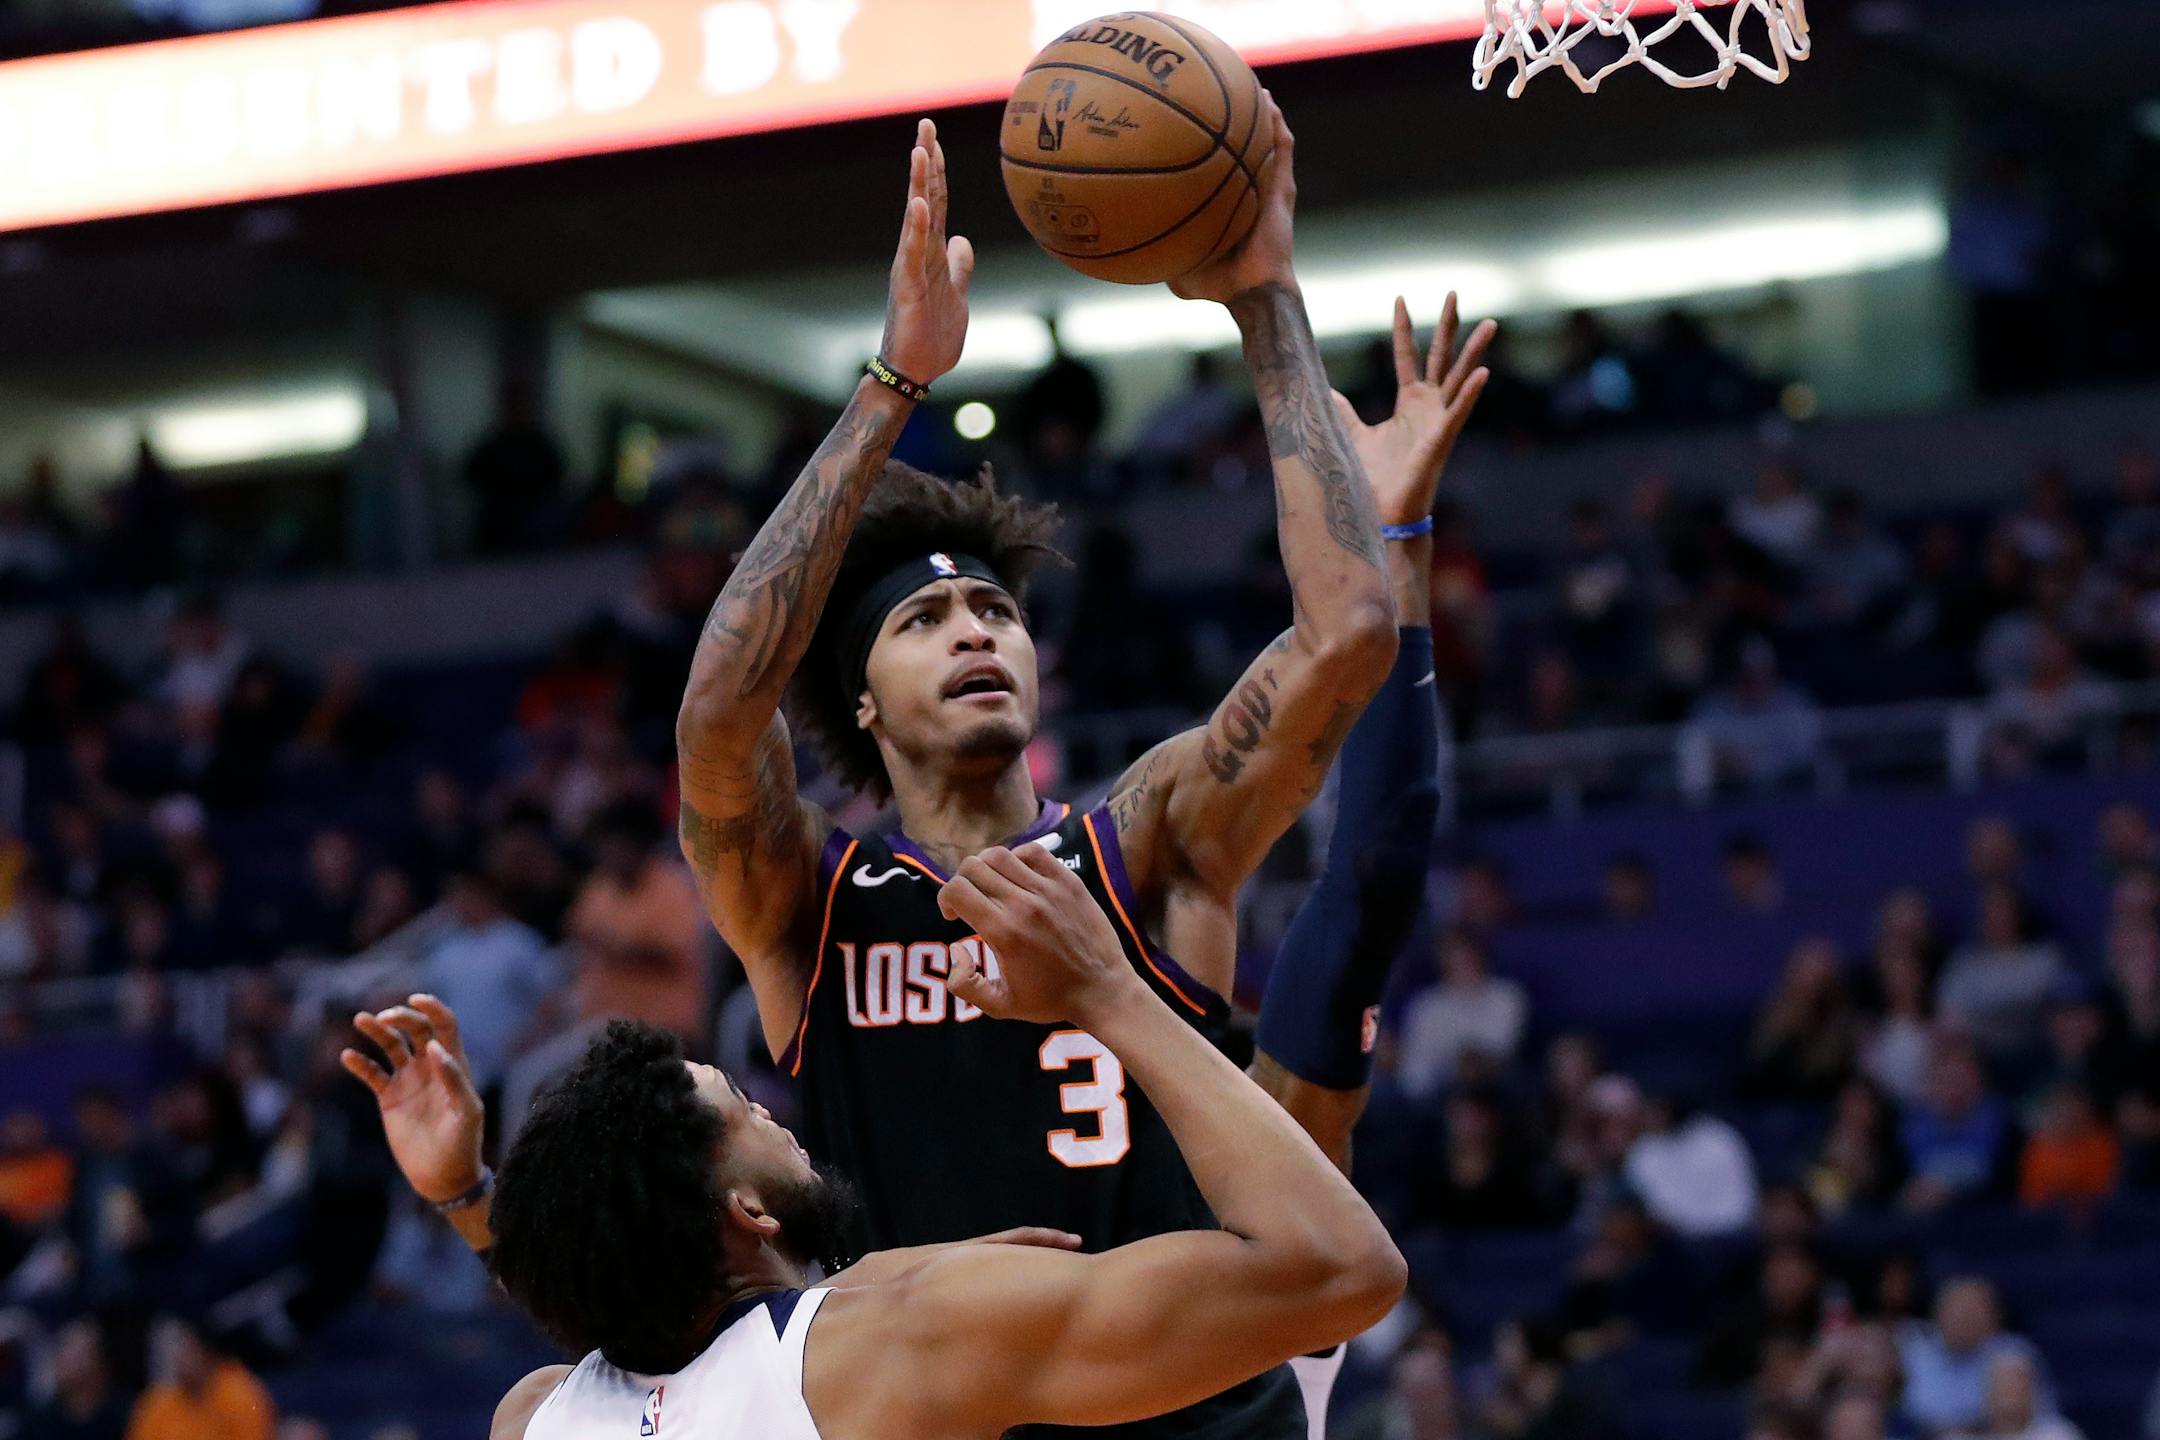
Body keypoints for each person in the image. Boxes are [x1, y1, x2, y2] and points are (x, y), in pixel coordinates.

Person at [667, 112, 1487, 1440]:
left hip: (1190, 1406)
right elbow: (716, 714)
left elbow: (1346, 638)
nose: (976, 632)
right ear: (860, 702)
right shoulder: (810, 900)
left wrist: (1265, 295)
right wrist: (892, 386)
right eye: (923, 624)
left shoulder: (1148, 839)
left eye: (996, 611)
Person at [341, 844, 1405, 1440]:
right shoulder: (901, 1345)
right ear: (746, 1215)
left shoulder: (533, 1420)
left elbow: (626, 1333)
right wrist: (1109, 992)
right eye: (743, 1114)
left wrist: (470, 1195)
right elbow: (1340, 1270)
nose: (773, 1113)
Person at [1896, 1278, 2047, 1438]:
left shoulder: (2013, 1354)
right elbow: (1908, 1411)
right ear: (1937, 1315)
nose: (1965, 1319)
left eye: (1974, 1312)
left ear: (1994, 1318)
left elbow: (2039, 1411)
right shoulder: (1915, 1354)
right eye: (1958, 1311)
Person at [1397, 929, 1529, 1099]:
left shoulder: (1508, 995)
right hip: (1439, 1092)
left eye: (1467, 956)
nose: (1462, 963)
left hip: (1494, 1084)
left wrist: (1471, 1060)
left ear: (1480, 956)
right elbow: (1417, 1062)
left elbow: (1505, 1048)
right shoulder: (1425, 1005)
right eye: (1453, 957)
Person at [123, 1317, 274, 1440]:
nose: (178, 1359)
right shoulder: (157, 1401)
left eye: (187, 1350)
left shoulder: (240, 1395)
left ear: (208, 1353)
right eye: (177, 1350)